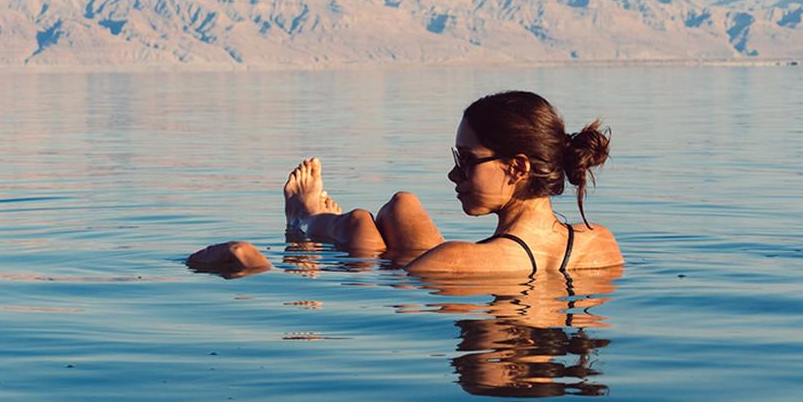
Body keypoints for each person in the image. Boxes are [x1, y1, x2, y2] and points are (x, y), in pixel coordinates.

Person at [187, 90, 623, 275]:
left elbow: (384, 288)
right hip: (513, 261)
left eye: (467, 161)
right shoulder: (600, 243)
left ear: (518, 167)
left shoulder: (452, 261)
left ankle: (305, 218)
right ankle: (315, 217)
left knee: (360, 228)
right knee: (402, 203)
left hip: (443, 268)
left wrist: (246, 261)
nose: (454, 175)